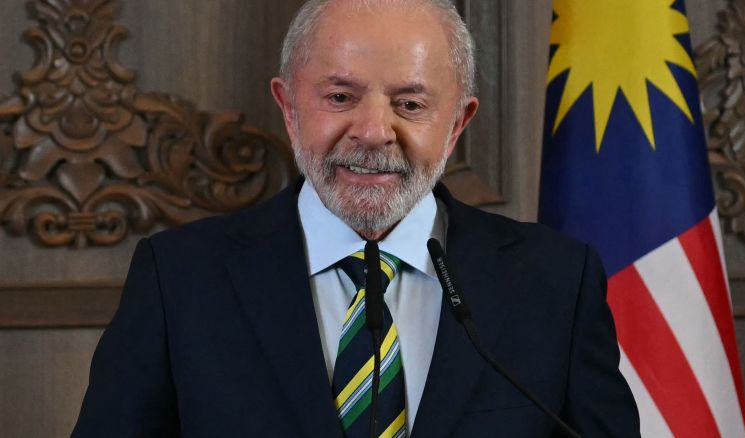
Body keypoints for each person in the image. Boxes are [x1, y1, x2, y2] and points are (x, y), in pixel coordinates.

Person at [72, 0, 640, 436]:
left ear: (458, 123)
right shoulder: (178, 279)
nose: (373, 132)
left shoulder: (556, 282)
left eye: (411, 104)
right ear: (289, 108)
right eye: (340, 97)